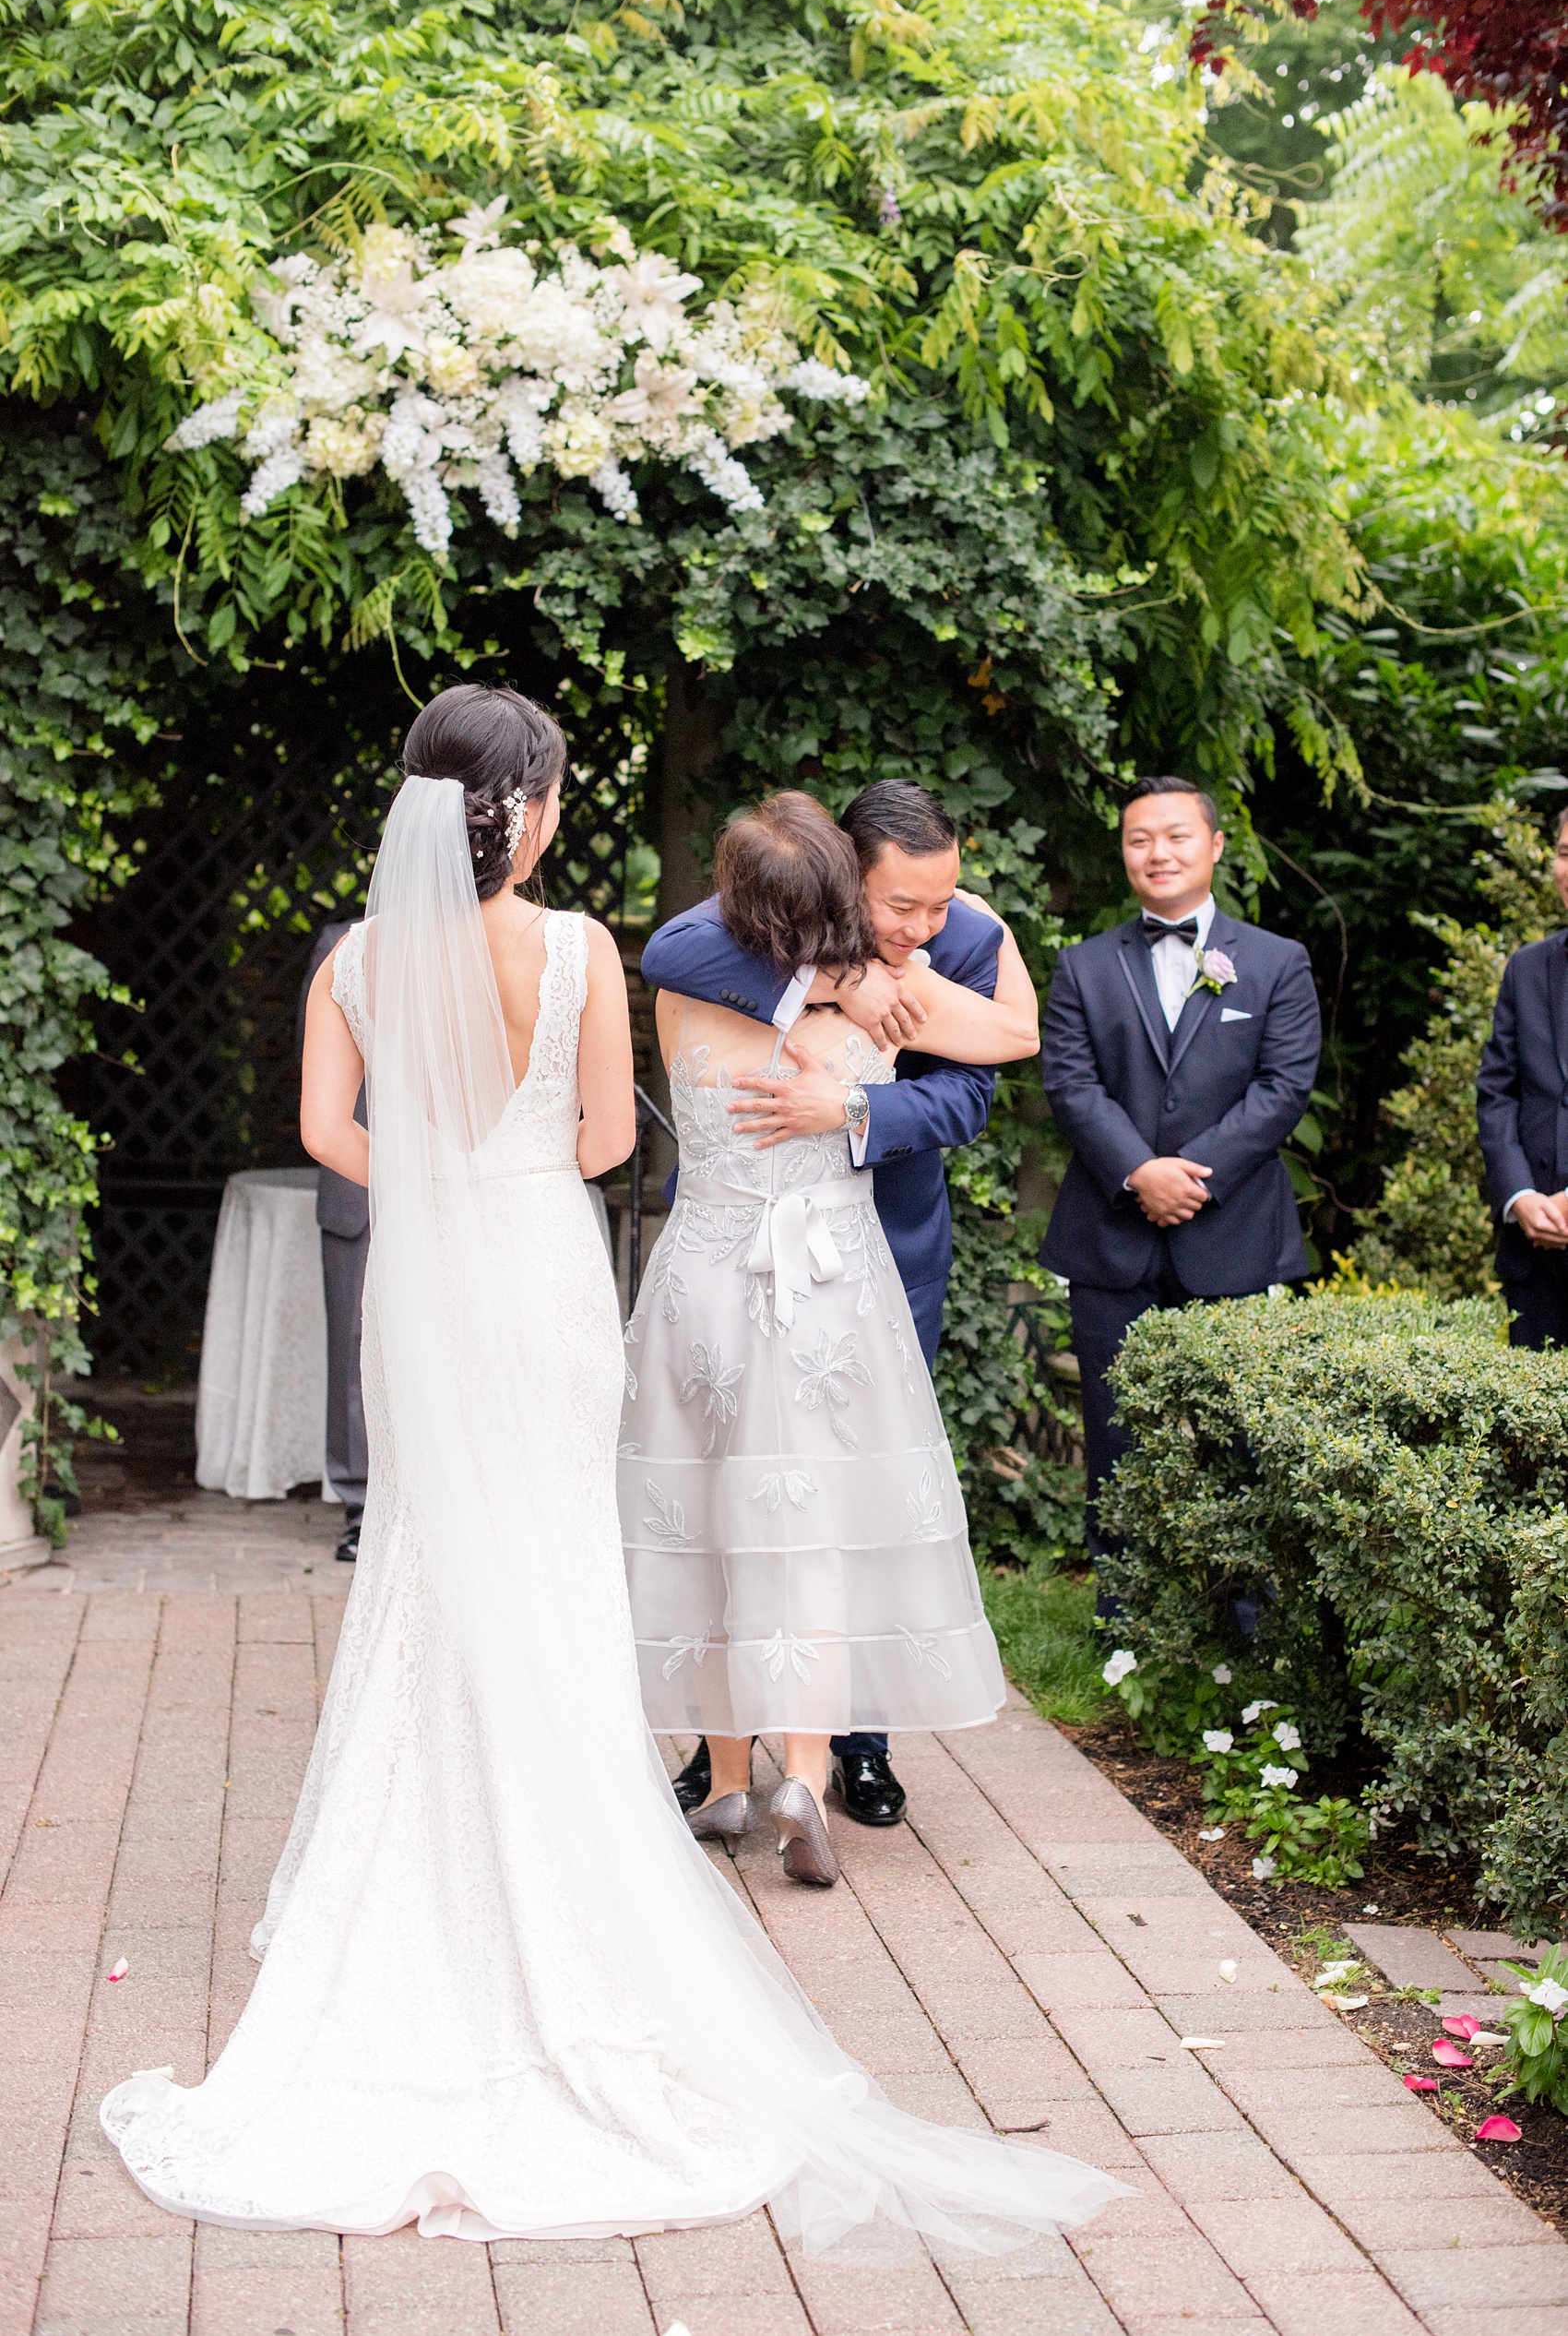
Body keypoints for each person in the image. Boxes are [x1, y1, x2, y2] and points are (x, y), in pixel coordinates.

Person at [99, 685, 1124, 2252]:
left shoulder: (358, 957)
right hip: (541, 1275)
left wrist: (433, 1167)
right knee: (564, 1560)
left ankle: (443, 1866)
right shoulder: (576, 945)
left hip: (432, 1281)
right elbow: (595, 1146)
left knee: (432, 1555)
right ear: (530, 807)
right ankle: (586, 1874)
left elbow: (327, 1126)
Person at [623, 793, 1039, 1885]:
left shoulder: (944, 941)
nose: (925, 924)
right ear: (845, 882)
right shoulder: (815, 978)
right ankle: (779, 1768)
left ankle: (799, 1762)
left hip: (749, 1269)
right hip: (821, 1278)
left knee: (725, 1511)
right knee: (813, 1516)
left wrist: (852, 1112)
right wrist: (830, 982)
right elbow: (1013, 1028)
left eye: (939, 902)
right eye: (904, 904)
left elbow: (973, 1090)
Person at [1039, 777, 1321, 1592]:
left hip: (1231, 1234)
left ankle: (1239, 1625)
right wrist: (1139, 1171)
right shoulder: (1084, 967)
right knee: (1116, 1439)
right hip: (1110, 1240)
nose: (1157, 853)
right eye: (1138, 840)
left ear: (1215, 845)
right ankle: (1127, 1622)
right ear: (1124, 852)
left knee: (1239, 1440)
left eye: (1175, 836)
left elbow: (1283, 1088)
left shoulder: (1276, 962)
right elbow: (1072, 1085)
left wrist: (1190, 1177)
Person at [1477, 805, 1568, 1346]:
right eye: (1564, 853)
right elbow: (1497, 1091)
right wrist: (1519, 1195)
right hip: (1535, 1257)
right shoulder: (1529, 968)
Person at [297, 921, 369, 1560]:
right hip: (357, 1184)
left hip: (459, 1184)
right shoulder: (342, 945)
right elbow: (318, 1070)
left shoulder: (492, 948)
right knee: (352, 1352)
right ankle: (359, 1507)